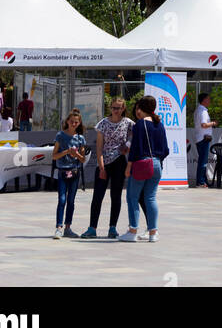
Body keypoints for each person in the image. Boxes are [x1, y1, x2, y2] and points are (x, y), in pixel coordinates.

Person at [82, 97, 133, 239]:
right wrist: (101, 166)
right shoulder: (103, 124)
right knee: (97, 196)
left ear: (123, 108)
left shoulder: (128, 123)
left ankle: (112, 227)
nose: (115, 111)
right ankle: (92, 228)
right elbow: (99, 147)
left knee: (116, 196)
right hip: (104, 161)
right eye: (113, 108)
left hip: (120, 161)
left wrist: (127, 145)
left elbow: (136, 134)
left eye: (118, 108)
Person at [121, 96, 170, 242]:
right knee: (150, 198)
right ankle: (153, 233)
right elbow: (166, 149)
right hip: (156, 164)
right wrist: (156, 160)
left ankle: (132, 231)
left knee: (132, 197)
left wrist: (129, 167)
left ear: (140, 109)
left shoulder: (140, 125)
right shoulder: (159, 125)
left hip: (141, 163)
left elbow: (135, 149)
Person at [52, 108, 87, 239]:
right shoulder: (60, 136)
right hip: (62, 171)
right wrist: (66, 152)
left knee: (71, 201)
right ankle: (59, 227)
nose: (74, 124)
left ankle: (68, 227)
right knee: (62, 199)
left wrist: (76, 154)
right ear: (67, 121)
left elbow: (83, 159)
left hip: (75, 172)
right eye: (72, 121)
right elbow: (54, 156)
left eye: (76, 122)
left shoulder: (80, 138)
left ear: (79, 123)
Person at [194, 92, 216, 188]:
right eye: (208, 99)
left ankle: (202, 180)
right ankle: (201, 182)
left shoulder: (199, 109)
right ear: (204, 100)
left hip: (200, 138)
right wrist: (213, 123)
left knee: (202, 161)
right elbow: (204, 124)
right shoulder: (203, 111)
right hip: (203, 139)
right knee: (203, 162)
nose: (209, 101)